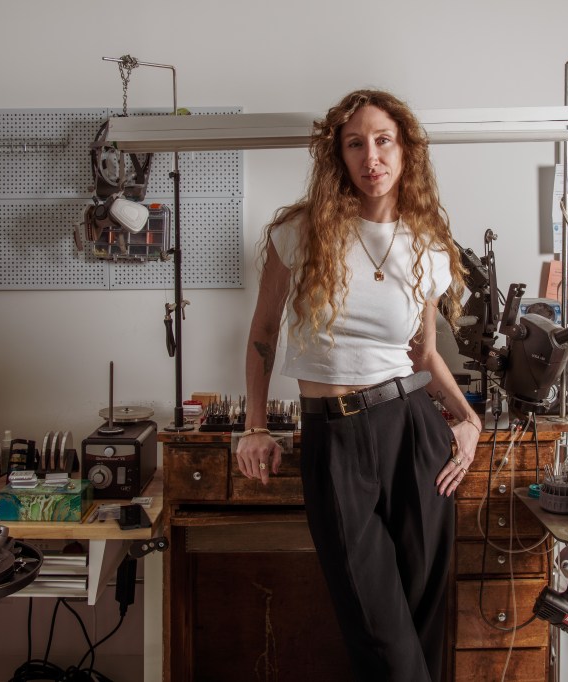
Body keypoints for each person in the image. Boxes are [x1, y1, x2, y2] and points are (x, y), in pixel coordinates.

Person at [236, 89, 483, 682]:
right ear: (338, 156)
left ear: (405, 150)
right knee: (380, 632)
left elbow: (423, 354)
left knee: (423, 621)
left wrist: (469, 420)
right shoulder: (300, 233)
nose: (371, 156)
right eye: (355, 144)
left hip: (413, 431)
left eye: (383, 140)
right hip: (335, 437)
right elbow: (263, 332)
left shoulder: (428, 244)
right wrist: (254, 425)